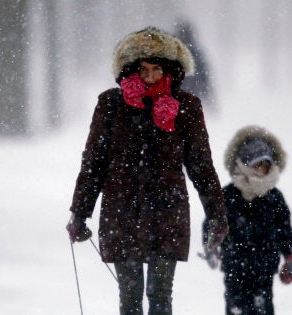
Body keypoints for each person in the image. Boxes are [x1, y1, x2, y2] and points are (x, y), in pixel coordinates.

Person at [66, 26, 229, 315]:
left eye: (157, 69)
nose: (150, 76)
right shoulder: (110, 105)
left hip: (168, 211)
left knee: (160, 297)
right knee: (129, 300)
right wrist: (80, 212)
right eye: (143, 69)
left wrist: (217, 214)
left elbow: (201, 165)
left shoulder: (186, 108)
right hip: (121, 211)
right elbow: (93, 163)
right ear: (131, 69)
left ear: (170, 70)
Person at [202, 125, 292, 315]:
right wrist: (210, 247)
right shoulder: (228, 195)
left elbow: (284, 228)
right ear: (245, 164)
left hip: (265, 266)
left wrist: (289, 258)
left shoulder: (274, 197)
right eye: (257, 165)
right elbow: (212, 223)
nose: (262, 170)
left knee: (263, 306)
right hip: (234, 265)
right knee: (236, 305)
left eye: (266, 165)